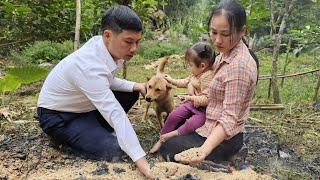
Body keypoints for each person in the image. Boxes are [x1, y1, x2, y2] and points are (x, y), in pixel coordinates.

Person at [36, 5, 152, 178]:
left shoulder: (106, 47)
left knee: (131, 92)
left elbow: (107, 81)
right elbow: (115, 113)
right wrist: (141, 159)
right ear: (107, 35)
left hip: (84, 108)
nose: (134, 48)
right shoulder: (88, 65)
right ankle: (65, 139)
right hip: (59, 116)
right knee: (115, 150)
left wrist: (137, 85)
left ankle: (93, 131)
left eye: (137, 42)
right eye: (128, 42)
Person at [159, 0, 259, 164]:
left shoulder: (239, 67)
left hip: (223, 138)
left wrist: (203, 150)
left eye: (225, 34)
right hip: (208, 122)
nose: (218, 40)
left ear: (243, 31)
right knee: (175, 121)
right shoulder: (224, 54)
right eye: (213, 32)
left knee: (169, 147)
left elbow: (228, 119)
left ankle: (223, 156)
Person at [149, 42, 215, 153]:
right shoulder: (195, 74)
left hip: (203, 111)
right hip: (191, 104)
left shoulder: (208, 77)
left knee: (191, 124)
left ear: (202, 66)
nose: (190, 68)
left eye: (191, 65)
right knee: (173, 115)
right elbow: (184, 82)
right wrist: (171, 80)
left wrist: (191, 98)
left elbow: (207, 99)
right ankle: (161, 139)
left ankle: (171, 135)